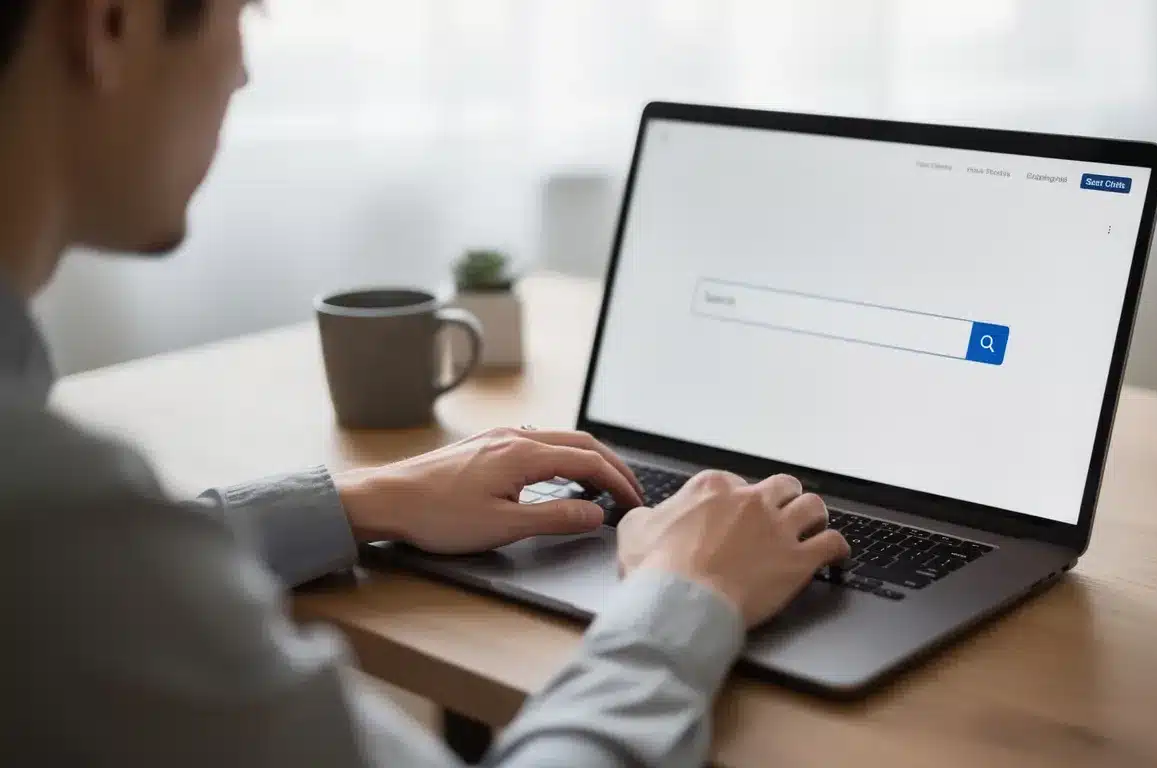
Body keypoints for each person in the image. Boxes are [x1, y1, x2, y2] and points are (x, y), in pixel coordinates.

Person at [0, 1, 851, 765]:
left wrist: (360, 501)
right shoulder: (51, 507)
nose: (245, 68)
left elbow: (100, 574)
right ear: (110, 22)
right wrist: (685, 596)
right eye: (245, 11)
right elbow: (84, 560)